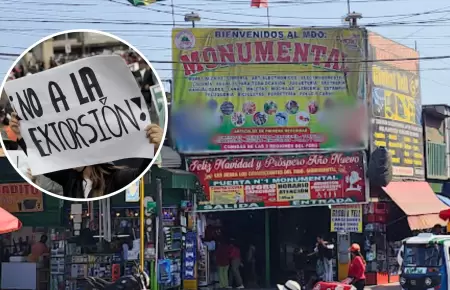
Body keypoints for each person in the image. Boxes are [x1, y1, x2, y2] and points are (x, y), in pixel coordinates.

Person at [9, 112, 163, 199]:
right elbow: (42, 162)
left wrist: (155, 148)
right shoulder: (70, 178)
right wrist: (22, 136)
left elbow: (140, 173)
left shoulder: (115, 176)